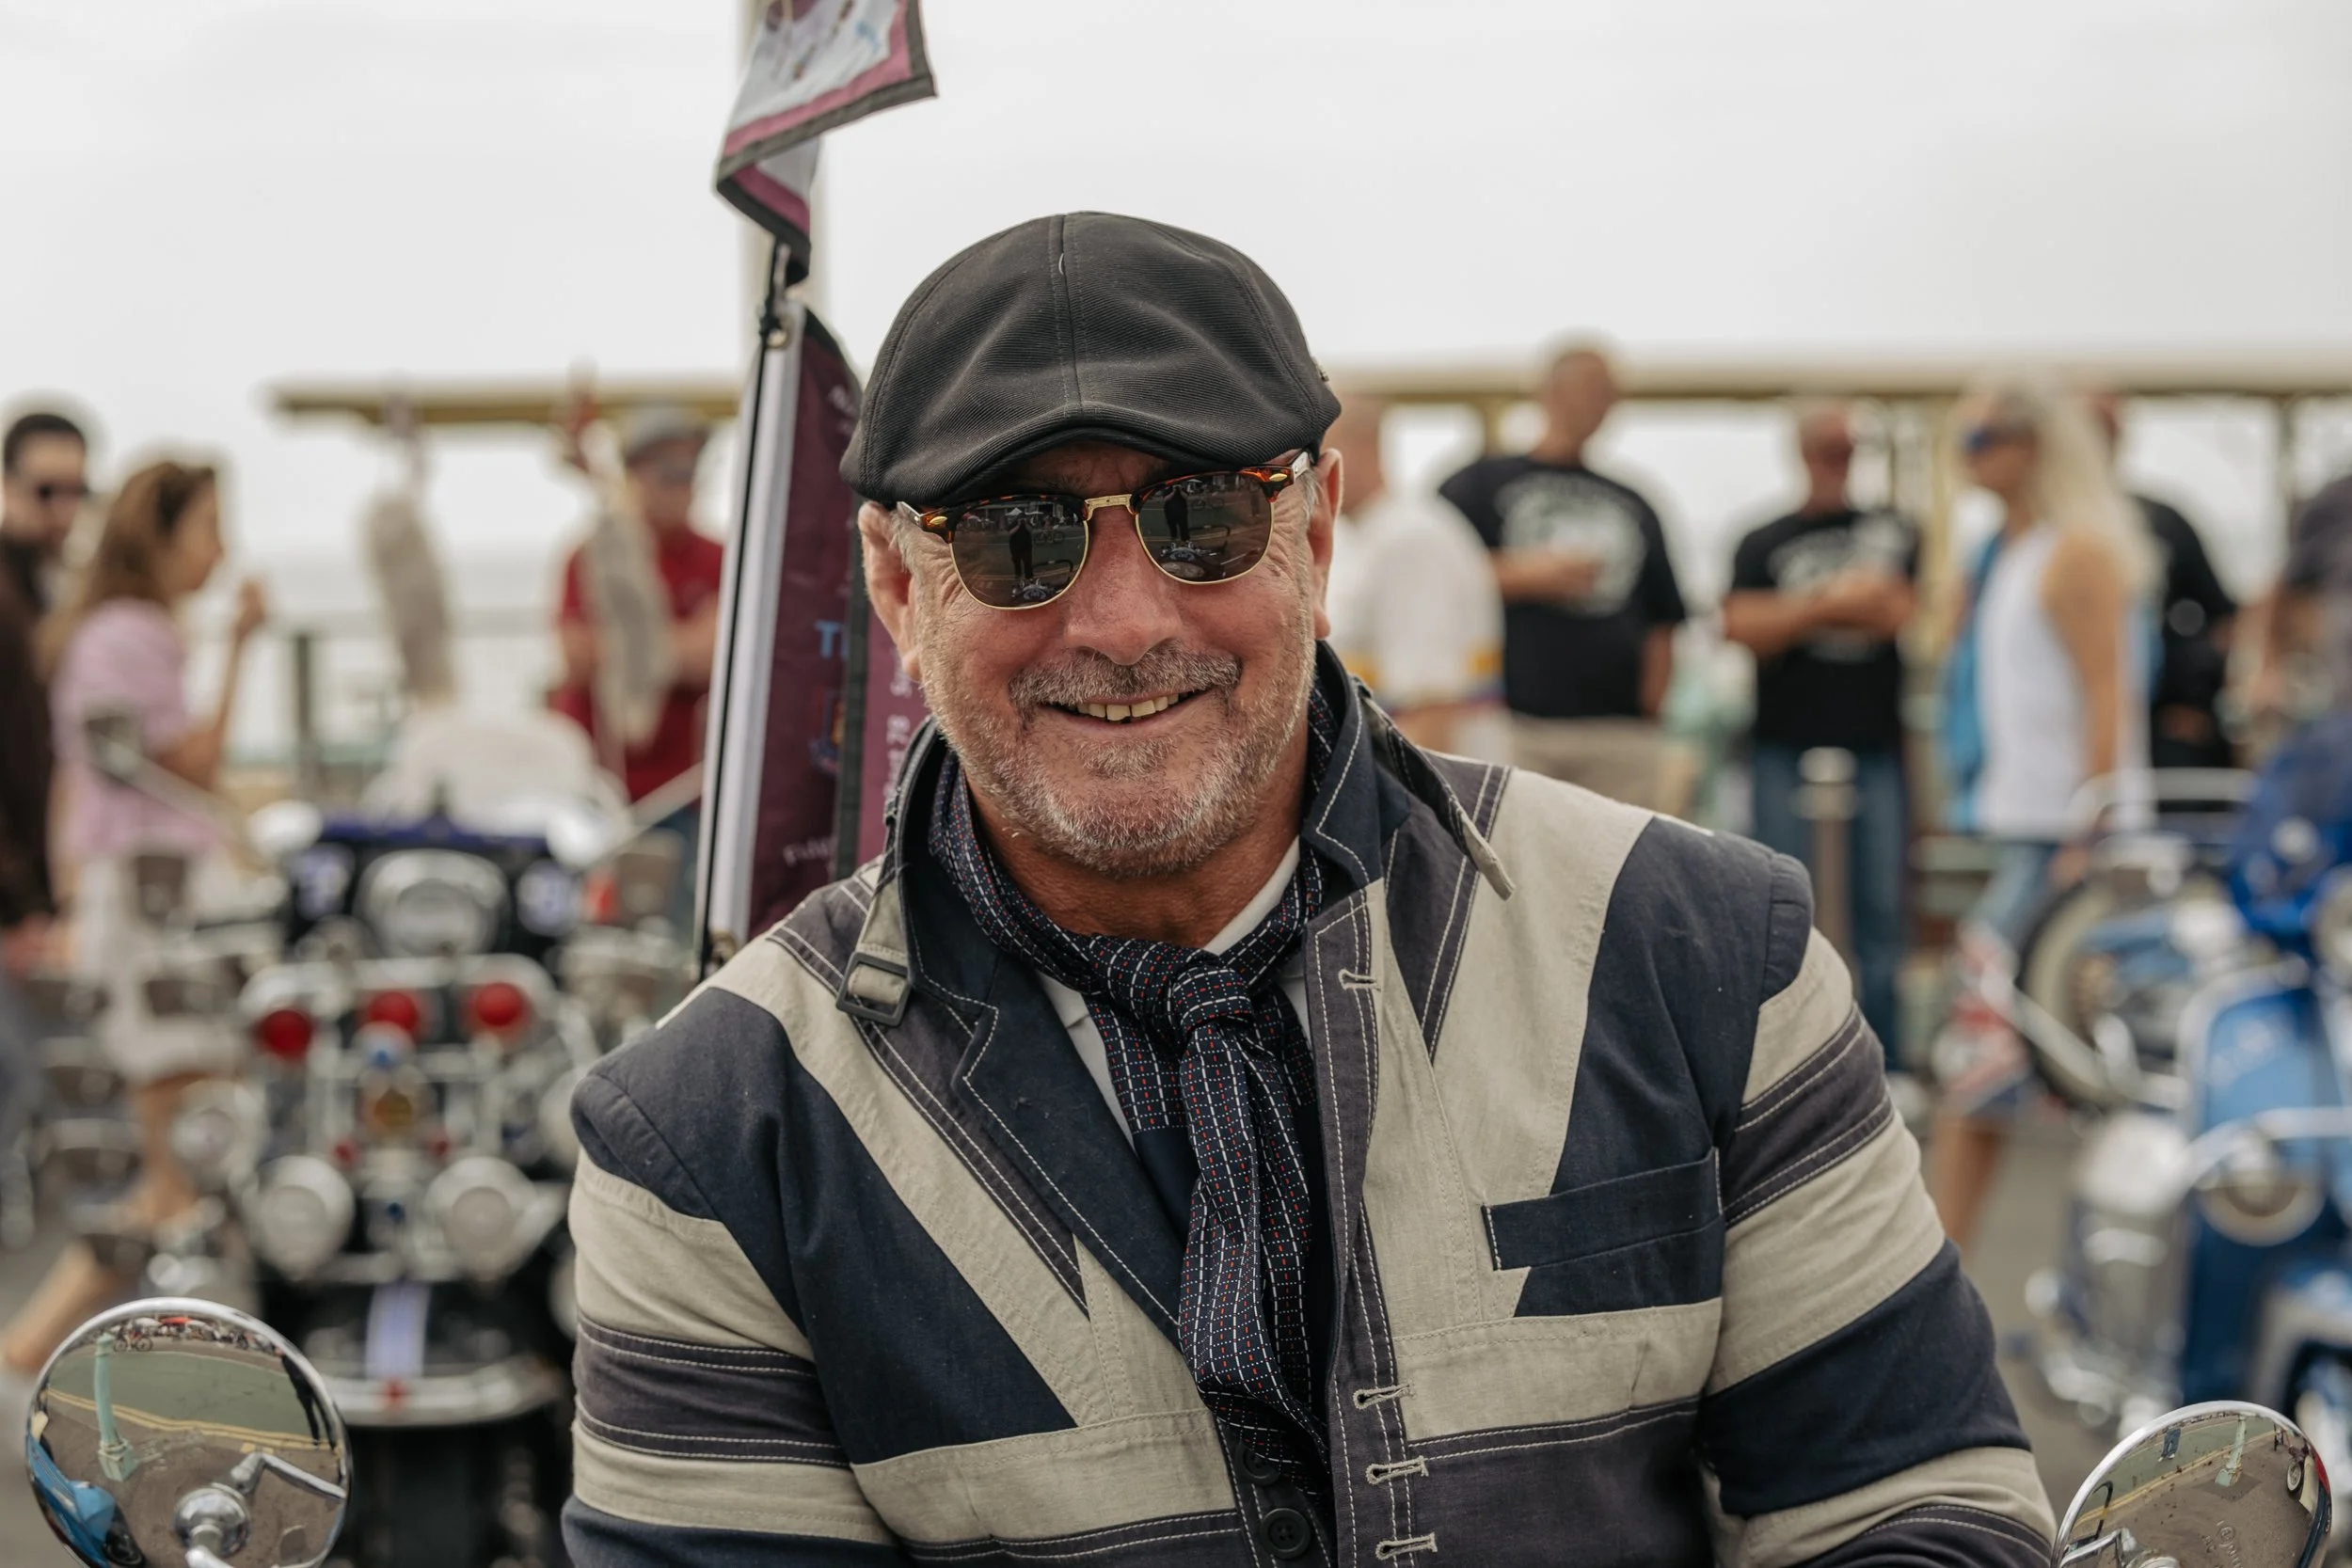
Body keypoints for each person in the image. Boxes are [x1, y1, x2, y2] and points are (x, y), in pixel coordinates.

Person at [560, 213, 2050, 1566]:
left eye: (1202, 515)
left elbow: (1916, 1504)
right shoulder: (716, 1139)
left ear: (1317, 532)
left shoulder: (1703, 954)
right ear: (898, 588)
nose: (1124, 620)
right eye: (1018, 537)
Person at [0, 458, 268, 1386]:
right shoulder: (138, 631)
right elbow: (192, 765)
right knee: (182, 1169)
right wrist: (242, 647)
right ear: (162, 535)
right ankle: (37, 1357)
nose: (221, 549)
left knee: (174, 1171)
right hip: (161, 921)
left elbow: (78, 789)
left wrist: (73, 901)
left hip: (134, 909)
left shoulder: (100, 631)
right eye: (208, 527)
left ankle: (41, 1355)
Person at [1928, 380, 2153, 1254]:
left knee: (1984, 1057)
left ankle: (1938, 1273)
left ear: (2035, 447)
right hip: (2029, 836)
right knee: (1999, 1068)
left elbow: (2108, 695)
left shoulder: (2074, 554)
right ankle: (1946, 1270)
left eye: (1984, 438)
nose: (1969, 454)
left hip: (2066, 845)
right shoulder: (2007, 556)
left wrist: (2092, 835)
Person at [1723, 403, 1916, 1067]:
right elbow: (1741, 626)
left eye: (1846, 447)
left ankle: (1888, 1059)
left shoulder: (1893, 530)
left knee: (1882, 909)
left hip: (1875, 747)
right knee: (1786, 906)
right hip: (1784, 745)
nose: (1838, 459)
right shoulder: (1761, 538)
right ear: (1802, 451)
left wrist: (1796, 614)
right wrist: (1831, 604)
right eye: (1827, 447)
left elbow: (1899, 612)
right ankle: (1792, 1057)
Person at [1438, 344, 1687, 808]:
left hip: (1618, 734)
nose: (1599, 402)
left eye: (1608, 392)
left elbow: (1664, 616)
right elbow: (1431, 578)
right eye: (1588, 387)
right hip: (1513, 724)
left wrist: (1650, 714)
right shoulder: (1477, 484)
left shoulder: (1635, 499)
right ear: (1547, 391)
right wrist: (1523, 574)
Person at [551, 404, 725, 804]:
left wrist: (626, 648)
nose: (682, 482)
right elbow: (578, 658)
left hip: (689, 790)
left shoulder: (720, 558)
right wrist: (680, 646)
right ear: (633, 474)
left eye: (690, 468)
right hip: (597, 786)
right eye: (668, 470)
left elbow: (716, 656)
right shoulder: (590, 556)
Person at [1319, 394, 1503, 757]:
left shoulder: (1408, 541)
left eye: (1315, 453)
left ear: (1360, 445)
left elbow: (1430, 707)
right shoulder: (1370, 535)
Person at [2087, 390, 2237, 769]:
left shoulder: (2162, 522)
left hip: (2161, 726)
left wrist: (2197, 702)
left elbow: (2225, 619)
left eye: (2103, 428)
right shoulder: (2028, 540)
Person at [0, 411, 87, 983]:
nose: (64, 509)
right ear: (8, 485)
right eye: (46, 490)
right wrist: (17, 906)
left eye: (78, 491)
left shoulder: (48, 589)